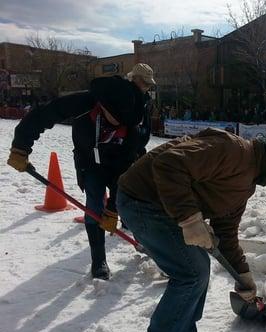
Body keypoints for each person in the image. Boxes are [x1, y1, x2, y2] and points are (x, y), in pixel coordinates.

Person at [116, 128, 266, 332]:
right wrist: (191, 218)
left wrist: (244, 277)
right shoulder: (234, 152)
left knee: (198, 268)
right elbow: (168, 164)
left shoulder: (246, 182)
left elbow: (226, 232)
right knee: (191, 273)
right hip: (141, 199)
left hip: (163, 206)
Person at [7, 63, 155, 280]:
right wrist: (21, 146)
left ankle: (144, 240)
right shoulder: (86, 102)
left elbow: (126, 166)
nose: (119, 125)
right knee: (94, 205)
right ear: (105, 106)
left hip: (120, 165)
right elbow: (45, 114)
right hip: (90, 163)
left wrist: (113, 208)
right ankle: (99, 260)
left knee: (128, 203)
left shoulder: (133, 118)